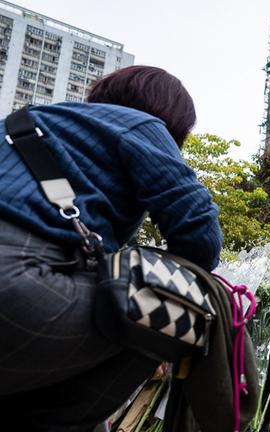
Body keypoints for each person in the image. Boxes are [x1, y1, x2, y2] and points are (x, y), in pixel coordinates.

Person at [0, 65, 223, 431]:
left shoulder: (24, 122)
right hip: (15, 288)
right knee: (171, 306)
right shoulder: (141, 125)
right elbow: (199, 236)